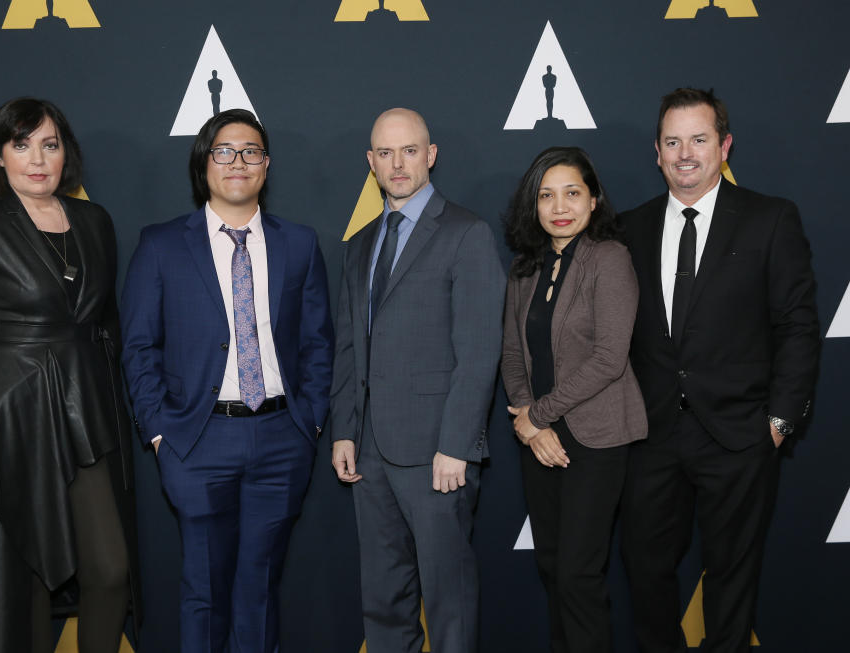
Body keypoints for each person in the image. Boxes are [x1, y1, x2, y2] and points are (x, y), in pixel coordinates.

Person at [0, 97, 138, 653]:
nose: (37, 159)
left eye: (50, 144)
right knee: (30, 577)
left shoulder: (95, 222)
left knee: (108, 569)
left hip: (88, 413)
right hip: (12, 419)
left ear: (66, 155)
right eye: (21, 144)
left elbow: (107, 323)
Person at [120, 108, 333, 653]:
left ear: (266, 165)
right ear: (204, 164)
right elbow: (139, 346)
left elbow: (317, 342)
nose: (238, 162)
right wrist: (161, 433)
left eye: (251, 151)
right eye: (224, 151)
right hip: (196, 439)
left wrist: (307, 422)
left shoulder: (300, 244)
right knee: (204, 590)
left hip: (283, 437)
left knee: (260, 588)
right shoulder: (162, 245)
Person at [619, 88, 820, 653]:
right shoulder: (627, 228)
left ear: (724, 146)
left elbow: (798, 327)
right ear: (656, 152)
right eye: (673, 141)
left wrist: (779, 420)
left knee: (732, 580)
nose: (686, 153)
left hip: (740, 436)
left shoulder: (770, 219)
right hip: (650, 436)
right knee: (645, 572)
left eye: (699, 139)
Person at [330, 107, 505, 653]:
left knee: (446, 599)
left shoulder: (467, 233)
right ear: (371, 163)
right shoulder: (360, 245)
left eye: (409, 151)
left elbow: (479, 351)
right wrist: (344, 430)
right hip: (371, 453)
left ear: (430, 155)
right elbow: (348, 346)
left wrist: (457, 444)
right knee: (383, 599)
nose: (397, 163)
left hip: (437, 454)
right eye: (385, 153)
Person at [501, 146, 648, 653]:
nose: (559, 206)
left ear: (593, 199)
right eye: (546, 195)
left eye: (572, 192)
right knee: (551, 567)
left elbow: (610, 358)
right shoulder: (526, 268)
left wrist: (535, 416)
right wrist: (530, 420)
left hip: (597, 439)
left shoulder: (609, 258)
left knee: (578, 575)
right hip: (538, 438)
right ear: (533, 205)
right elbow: (511, 354)